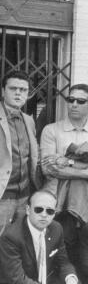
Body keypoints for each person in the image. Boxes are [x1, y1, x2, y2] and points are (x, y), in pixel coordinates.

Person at [40, 84, 88, 262]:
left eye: (80, 101)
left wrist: (68, 162)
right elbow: (48, 168)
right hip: (57, 203)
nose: (74, 104)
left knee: (87, 252)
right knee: (60, 251)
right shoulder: (51, 130)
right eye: (71, 100)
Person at [0, 190, 81, 284]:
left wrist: (71, 279)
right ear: (27, 209)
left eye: (50, 211)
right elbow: (18, 281)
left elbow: (63, 261)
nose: (44, 215)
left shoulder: (56, 228)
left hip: (40, 280)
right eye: (38, 209)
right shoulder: (11, 236)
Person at [0, 71, 41, 235]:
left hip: (25, 195)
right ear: (3, 91)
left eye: (23, 90)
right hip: (3, 195)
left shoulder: (28, 119)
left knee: (18, 242)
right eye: (13, 88)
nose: (18, 93)